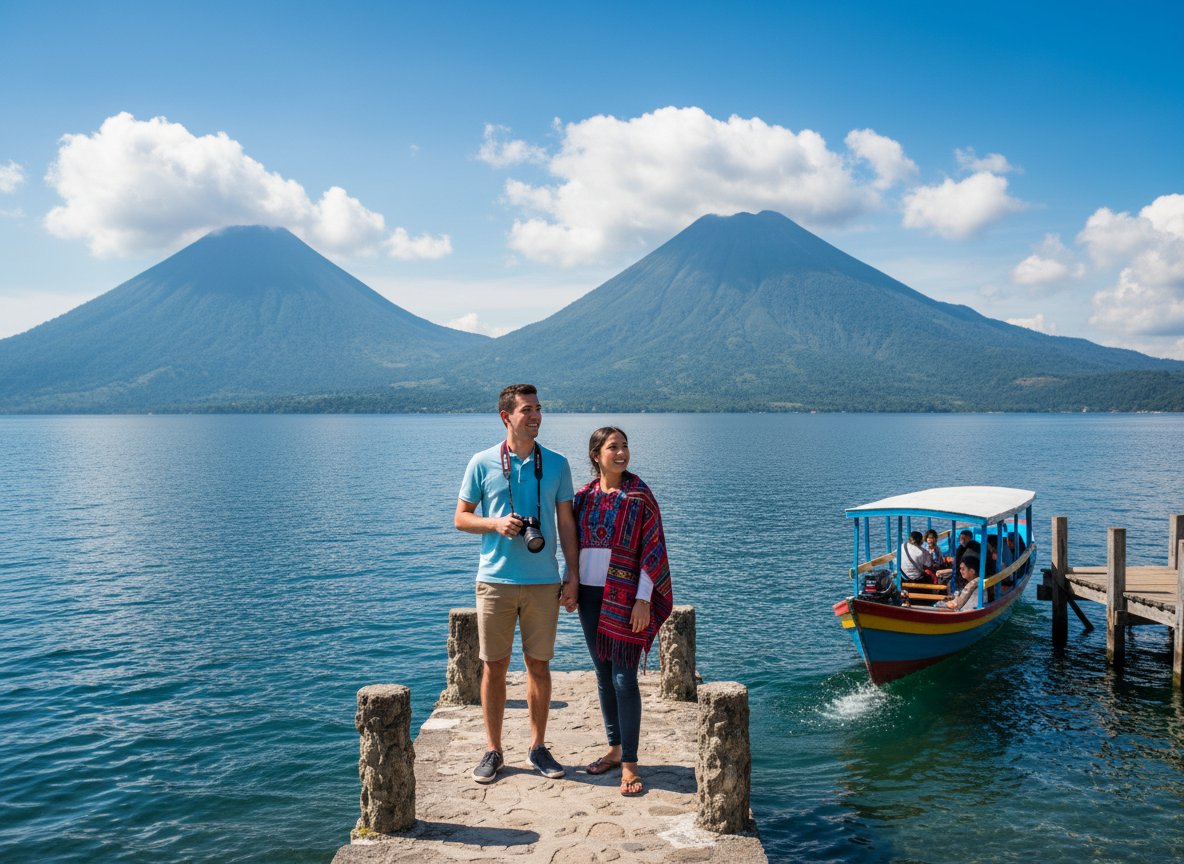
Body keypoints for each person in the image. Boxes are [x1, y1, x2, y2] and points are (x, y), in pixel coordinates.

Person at [455, 384, 579, 784]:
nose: (536, 416)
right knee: (493, 668)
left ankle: (537, 747)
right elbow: (460, 518)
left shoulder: (557, 464)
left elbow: (566, 525)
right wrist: (495, 523)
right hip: (495, 581)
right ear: (506, 416)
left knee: (539, 667)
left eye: (539, 409)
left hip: (543, 581)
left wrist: (571, 574)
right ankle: (493, 751)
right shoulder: (482, 462)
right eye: (527, 410)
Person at [572, 427, 674, 797]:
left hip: (628, 598)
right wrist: (570, 584)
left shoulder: (639, 496)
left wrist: (644, 599)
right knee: (602, 674)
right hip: (588, 595)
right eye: (613, 447)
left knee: (624, 679)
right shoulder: (582, 497)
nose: (621, 453)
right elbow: (573, 545)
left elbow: (653, 550)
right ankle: (614, 749)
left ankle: (629, 763)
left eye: (625, 446)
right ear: (596, 454)